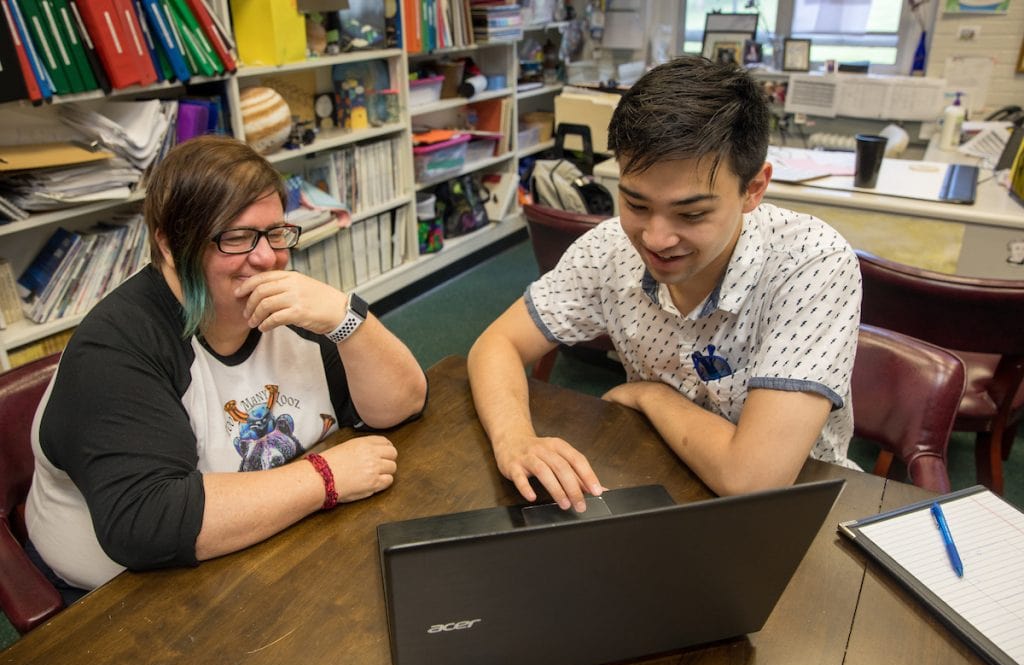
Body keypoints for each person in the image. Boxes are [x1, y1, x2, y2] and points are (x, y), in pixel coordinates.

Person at [26, 135, 428, 596]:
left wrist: (347, 318)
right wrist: (325, 476)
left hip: (263, 544)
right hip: (122, 598)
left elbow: (400, 407)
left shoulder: (287, 304)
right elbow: (146, 521)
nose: (266, 258)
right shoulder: (115, 347)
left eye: (276, 233)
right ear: (171, 246)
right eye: (235, 237)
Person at [468, 56, 861, 512]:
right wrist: (515, 438)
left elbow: (755, 477)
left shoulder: (812, 263)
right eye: (635, 203)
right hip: (653, 477)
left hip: (796, 505)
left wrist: (651, 395)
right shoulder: (610, 248)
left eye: (691, 214)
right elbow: (496, 344)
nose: (655, 239)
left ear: (753, 189)